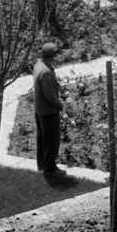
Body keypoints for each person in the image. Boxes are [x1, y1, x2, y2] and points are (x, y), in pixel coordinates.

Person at [33, 42, 66, 176]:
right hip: (48, 112)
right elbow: (50, 97)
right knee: (52, 141)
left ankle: (42, 165)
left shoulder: (38, 65)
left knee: (42, 139)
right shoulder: (45, 72)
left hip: (39, 109)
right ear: (52, 56)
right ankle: (50, 169)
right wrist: (61, 105)